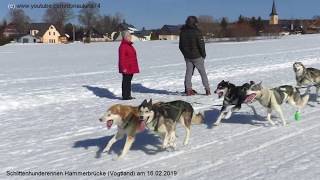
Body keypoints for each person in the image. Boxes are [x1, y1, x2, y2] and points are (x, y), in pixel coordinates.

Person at [179, 16, 211, 96]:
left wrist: (185, 54)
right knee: (202, 73)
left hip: (188, 57)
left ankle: (188, 90)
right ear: (194, 22)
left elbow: (180, 46)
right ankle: (207, 90)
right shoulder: (197, 31)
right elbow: (201, 45)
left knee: (188, 73)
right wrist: (203, 55)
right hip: (197, 56)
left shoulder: (183, 32)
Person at [118, 30, 140, 100]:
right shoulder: (123, 46)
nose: (130, 37)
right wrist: (123, 67)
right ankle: (125, 96)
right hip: (126, 68)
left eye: (130, 35)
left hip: (130, 67)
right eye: (128, 36)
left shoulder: (129, 45)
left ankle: (128, 95)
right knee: (126, 81)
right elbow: (121, 58)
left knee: (128, 81)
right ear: (125, 37)